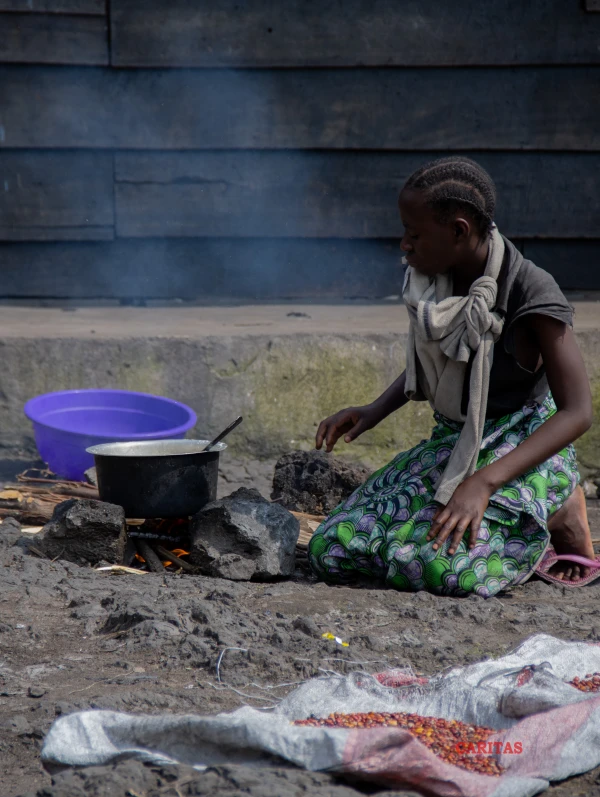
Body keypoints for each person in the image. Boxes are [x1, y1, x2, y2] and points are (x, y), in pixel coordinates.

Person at [309, 156, 595, 597]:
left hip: (522, 445)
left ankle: (561, 507)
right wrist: (375, 409)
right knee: (334, 547)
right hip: (458, 441)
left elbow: (577, 412)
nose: (404, 244)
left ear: (459, 231)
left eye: (414, 233)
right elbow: (445, 359)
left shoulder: (531, 292)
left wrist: (482, 482)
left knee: (445, 571)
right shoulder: (438, 281)